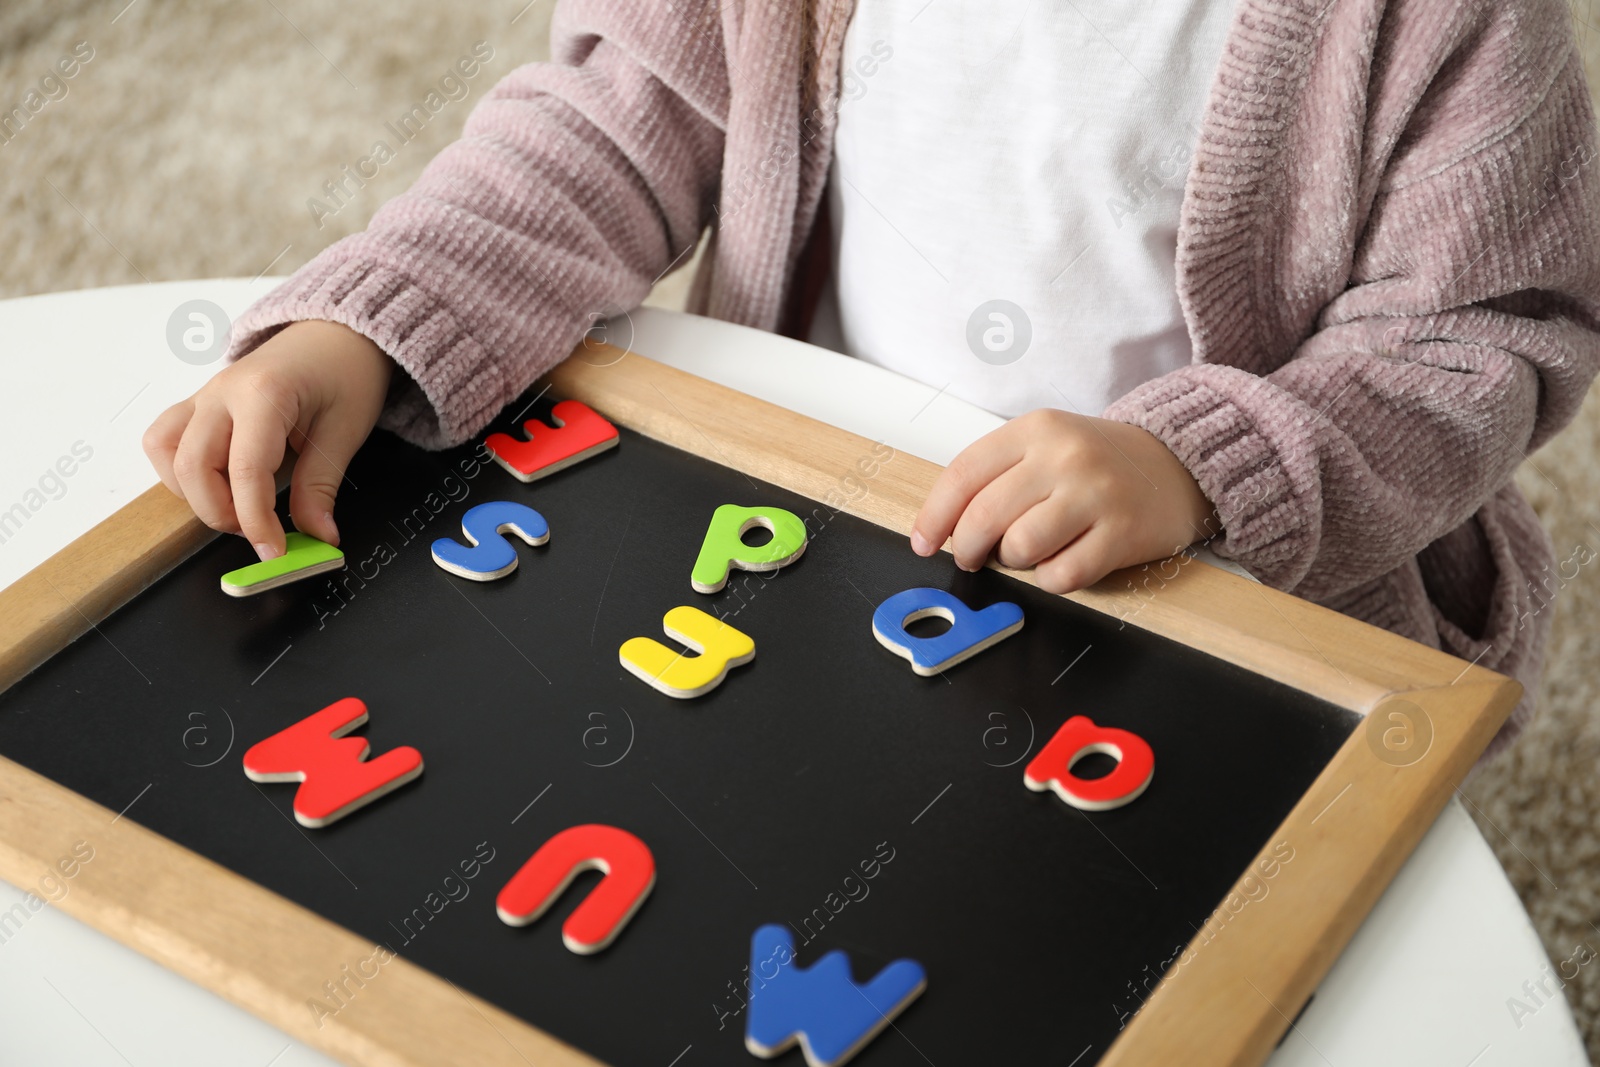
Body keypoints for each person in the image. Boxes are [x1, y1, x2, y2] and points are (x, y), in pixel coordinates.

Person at [143, 0, 1600, 757]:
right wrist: (375, 321)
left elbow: (1487, 327)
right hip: (809, 528)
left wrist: (1202, 469)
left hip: (1225, 593)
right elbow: (615, 122)